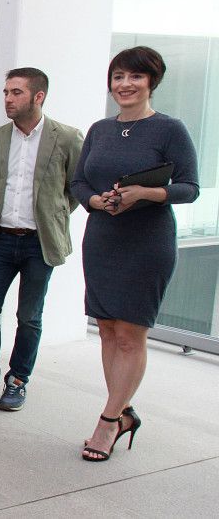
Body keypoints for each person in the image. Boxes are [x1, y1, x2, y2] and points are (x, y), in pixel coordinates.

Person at [72, 46, 199, 462]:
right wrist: (94, 202)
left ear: (151, 82)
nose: (124, 85)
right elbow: (79, 183)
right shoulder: (99, 130)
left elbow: (189, 187)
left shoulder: (169, 130)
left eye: (135, 78)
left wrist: (146, 192)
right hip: (103, 237)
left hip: (147, 241)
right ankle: (123, 411)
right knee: (107, 328)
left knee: (130, 333)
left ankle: (108, 421)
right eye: (118, 77)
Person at [0, 68, 83, 412]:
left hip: (40, 243)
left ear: (39, 97)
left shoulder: (66, 137)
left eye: (16, 92)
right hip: (1, 239)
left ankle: (18, 380)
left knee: (29, 317)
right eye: (6, 92)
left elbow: (76, 188)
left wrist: (55, 213)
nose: (8, 98)